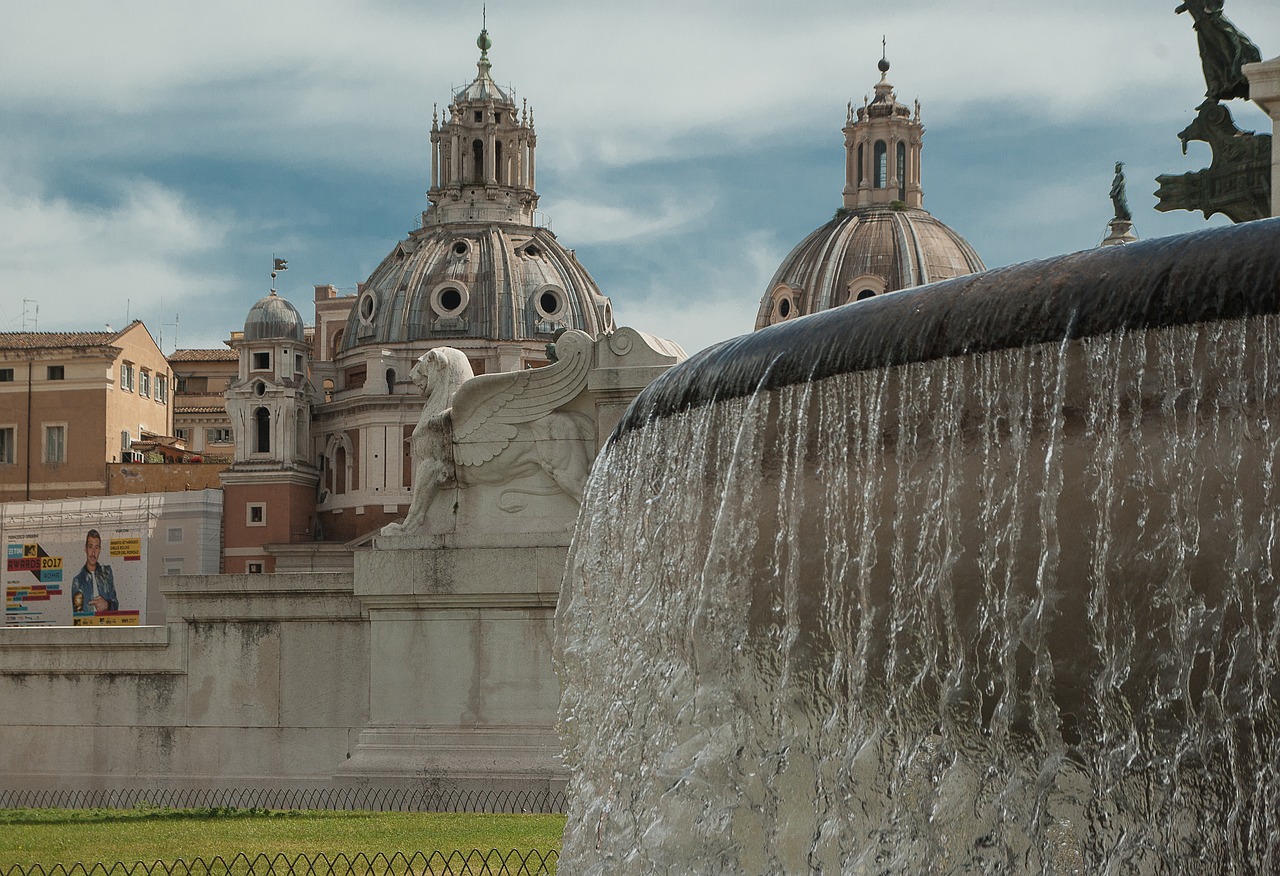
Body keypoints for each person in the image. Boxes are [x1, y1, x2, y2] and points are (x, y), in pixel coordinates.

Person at [71, 529, 117, 614]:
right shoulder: (78, 581)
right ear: (85, 549)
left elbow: (115, 604)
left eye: (96, 547)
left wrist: (106, 605)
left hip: (106, 626)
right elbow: (78, 615)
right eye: (90, 546)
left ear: (100, 549)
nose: (93, 552)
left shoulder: (107, 572)